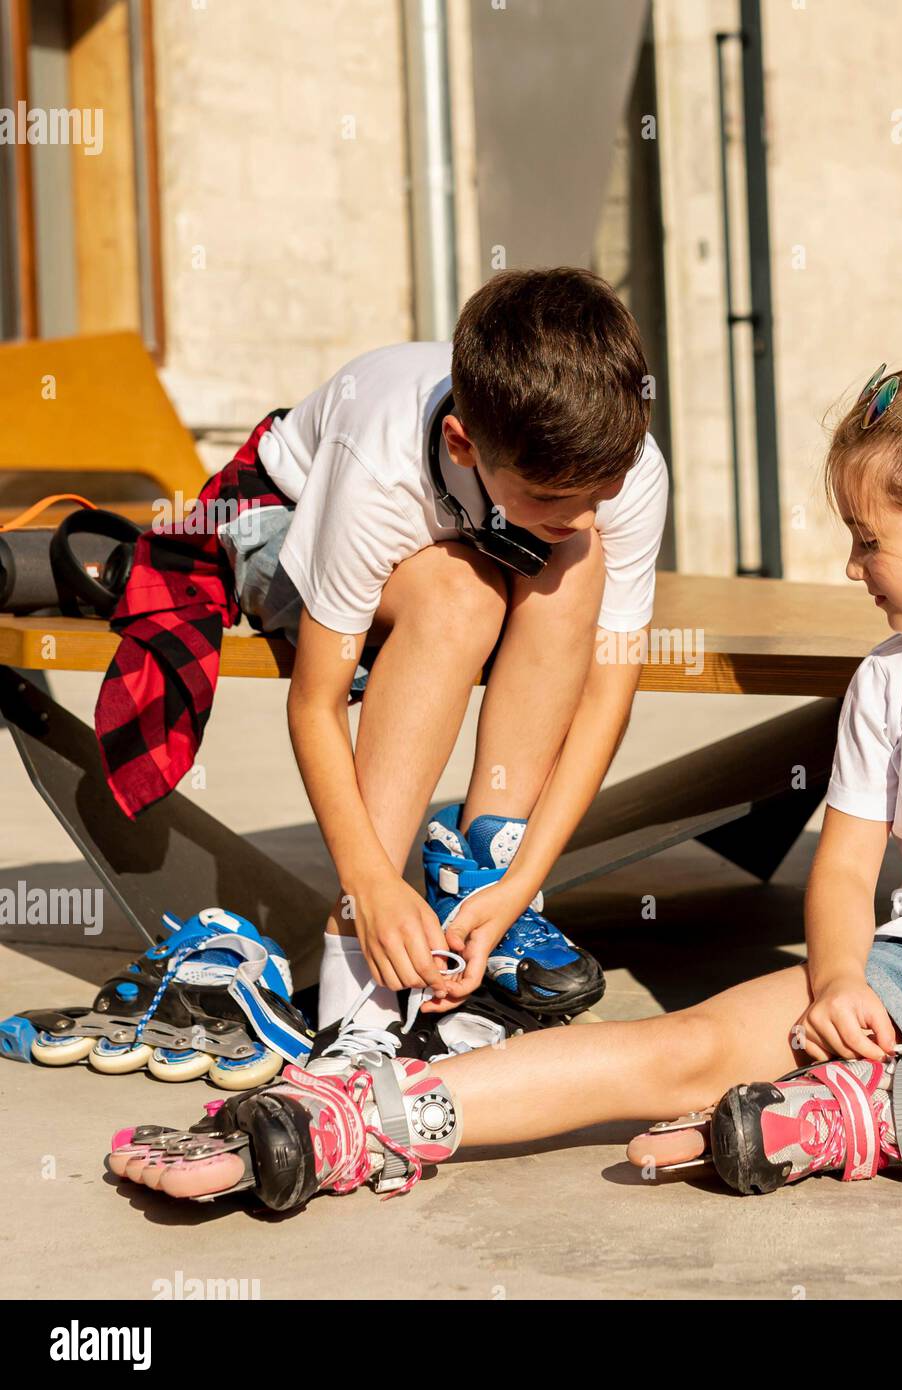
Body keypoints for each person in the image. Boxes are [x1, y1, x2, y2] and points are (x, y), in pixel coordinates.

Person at [109, 326, 902, 1207]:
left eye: (865, 540)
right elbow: (842, 874)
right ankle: (355, 1117)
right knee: (668, 1051)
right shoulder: (891, 677)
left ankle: (863, 1120)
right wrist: (836, 983)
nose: (850, 565)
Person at [96, 267, 669, 1032]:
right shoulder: (378, 469)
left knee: (575, 561)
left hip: (472, 531)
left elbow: (608, 693)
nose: (588, 514)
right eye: (555, 500)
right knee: (457, 597)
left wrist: (524, 879)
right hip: (286, 509)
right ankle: (354, 956)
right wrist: (368, 883)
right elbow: (316, 703)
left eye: (600, 496)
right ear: (464, 445)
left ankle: (483, 864)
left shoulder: (614, 472)